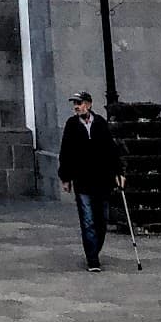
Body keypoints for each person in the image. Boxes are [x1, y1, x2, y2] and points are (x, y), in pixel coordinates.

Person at [57, 89, 124, 272]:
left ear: (89, 104)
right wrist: (65, 177)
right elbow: (66, 152)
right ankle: (92, 258)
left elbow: (111, 149)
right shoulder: (71, 125)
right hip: (82, 180)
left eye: (79, 103)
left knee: (101, 220)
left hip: (102, 180)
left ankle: (96, 248)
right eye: (75, 104)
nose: (77, 107)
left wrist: (119, 172)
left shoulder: (100, 123)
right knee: (87, 221)